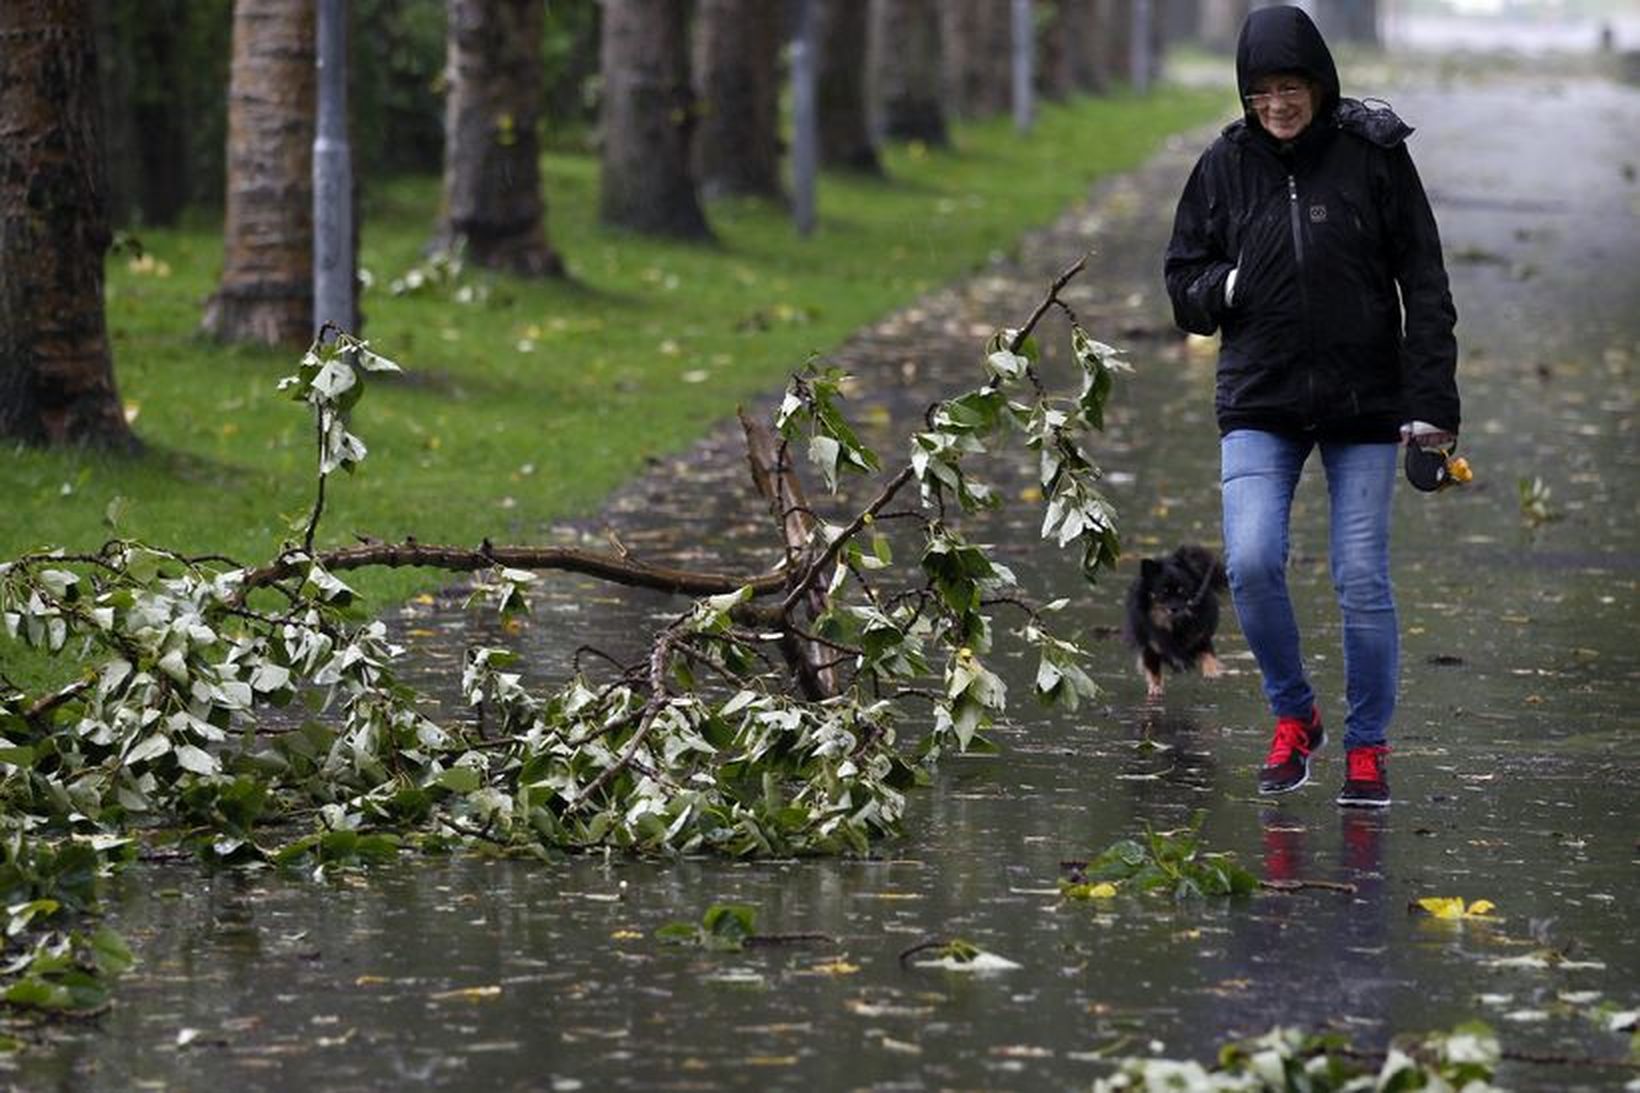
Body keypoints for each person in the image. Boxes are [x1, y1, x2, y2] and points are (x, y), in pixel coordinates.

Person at [1163, 5, 1460, 808]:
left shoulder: (1374, 155)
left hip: (1366, 402)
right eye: (1261, 91)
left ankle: (1367, 746)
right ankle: (1296, 717)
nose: (1277, 104)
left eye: (1290, 86)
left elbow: (1425, 282)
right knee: (1254, 563)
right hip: (1261, 399)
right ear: (1246, 94)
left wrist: (1431, 406)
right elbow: (1183, 280)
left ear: (1319, 86)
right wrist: (1222, 288)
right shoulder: (1224, 166)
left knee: (1361, 577)